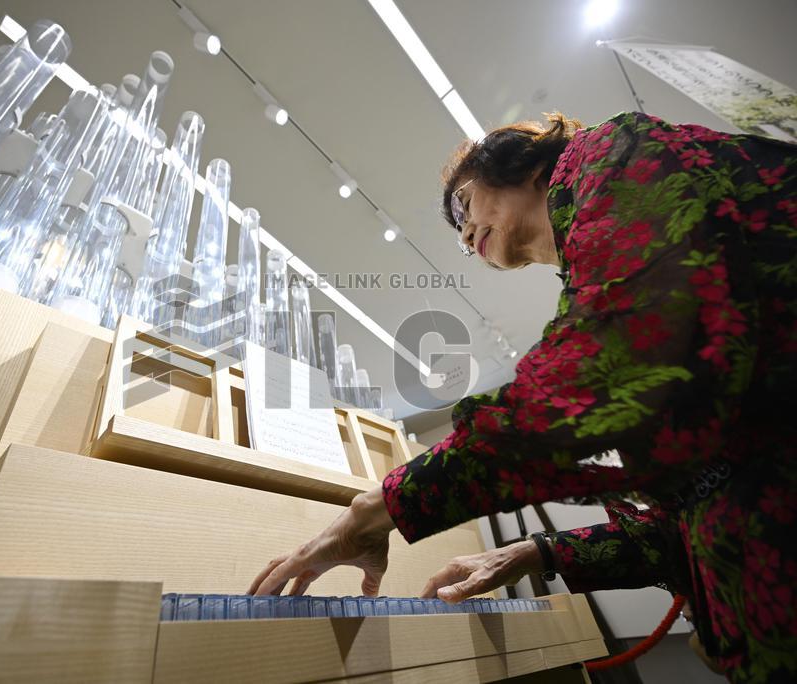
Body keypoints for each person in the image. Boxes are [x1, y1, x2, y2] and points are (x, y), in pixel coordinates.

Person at [249, 111, 797, 683]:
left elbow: (612, 385)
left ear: (522, 160)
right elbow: (682, 522)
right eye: (457, 232)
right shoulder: (600, 273)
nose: (464, 235)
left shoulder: (619, 155)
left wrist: (374, 511)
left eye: (462, 207)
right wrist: (530, 555)